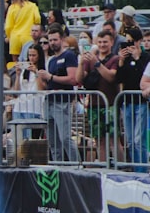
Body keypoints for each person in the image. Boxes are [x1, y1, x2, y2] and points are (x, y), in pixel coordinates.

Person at [37, 25, 80, 163]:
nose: (52, 43)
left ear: (62, 39)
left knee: (65, 138)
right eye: (50, 40)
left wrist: (50, 77)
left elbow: (73, 79)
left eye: (55, 40)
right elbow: (47, 84)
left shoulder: (69, 56)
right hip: (49, 101)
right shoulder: (51, 60)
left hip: (63, 102)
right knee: (53, 140)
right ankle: (58, 165)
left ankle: (76, 166)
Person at [75, 31, 119, 162]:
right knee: (99, 140)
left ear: (111, 42)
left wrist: (97, 63)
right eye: (99, 42)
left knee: (113, 140)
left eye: (105, 42)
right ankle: (104, 166)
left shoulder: (115, 59)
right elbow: (78, 79)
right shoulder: (90, 59)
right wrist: (82, 63)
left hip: (110, 104)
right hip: (94, 105)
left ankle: (121, 168)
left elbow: (111, 77)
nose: (102, 45)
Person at [116, 33, 150, 166]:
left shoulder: (146, 57)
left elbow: (142, 76)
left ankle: (142, 169)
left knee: (138, 140)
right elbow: (119, 78)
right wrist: (121, 61)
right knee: (130, 140)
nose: (130, 44)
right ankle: (135, 168)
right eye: (128, 41)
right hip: (127, 102)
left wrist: (137, 58)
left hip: (141, 102)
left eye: (133, 41)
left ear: (139, 41)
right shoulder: (125, 58)